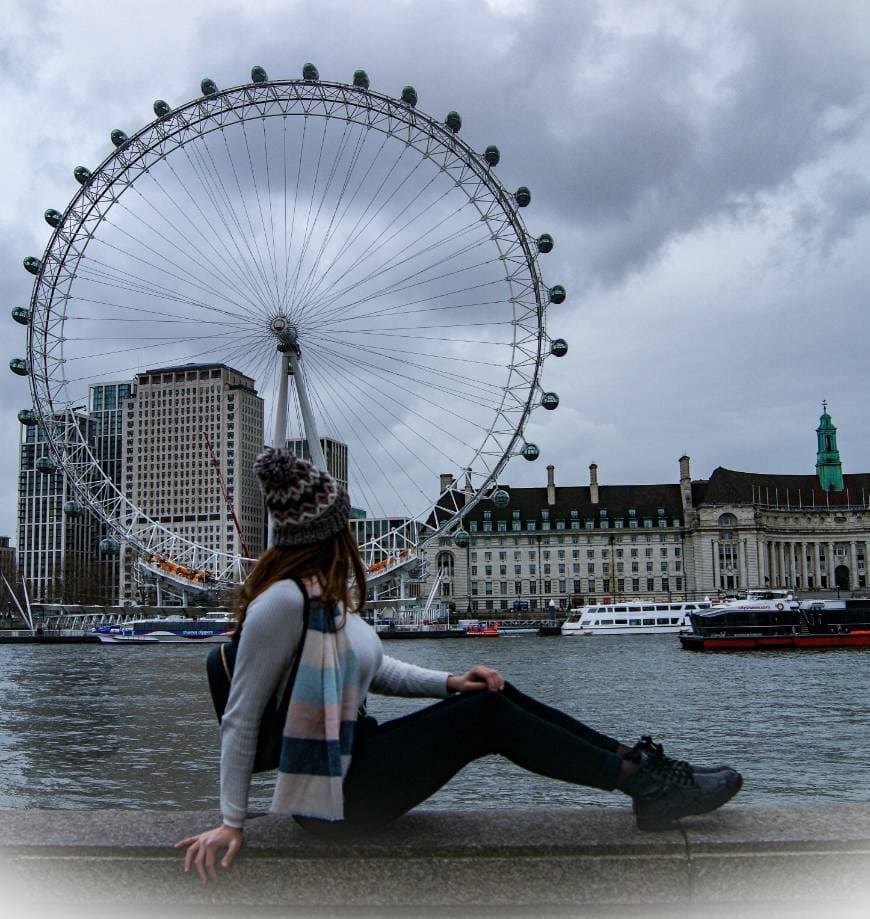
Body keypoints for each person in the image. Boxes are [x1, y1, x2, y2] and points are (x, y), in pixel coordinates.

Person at [177, 449, 742, 883]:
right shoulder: (282, 602)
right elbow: (241, 717)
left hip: (357, 767)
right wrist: (232, 820)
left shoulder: (320, 594)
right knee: (485, 720)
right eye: (343, 519)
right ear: (328, 529)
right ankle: (643, 785)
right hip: (333, 800)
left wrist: (450, 682)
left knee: (487, 694)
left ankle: (641, 768)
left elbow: (376, 670)